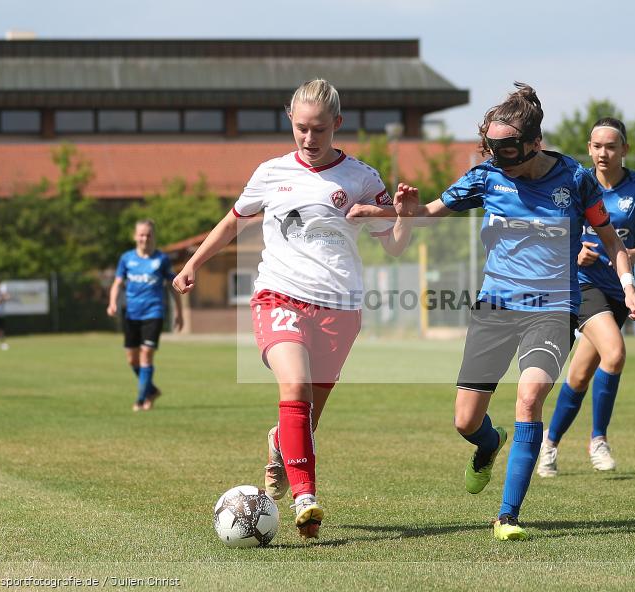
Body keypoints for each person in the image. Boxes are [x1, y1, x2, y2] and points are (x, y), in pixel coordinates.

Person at [350, 84, 635, 541]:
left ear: (533, 142)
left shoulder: (575, 178)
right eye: (490, 145)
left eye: (505, 146)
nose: (497, 154)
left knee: (529, 397)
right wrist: (403, 213)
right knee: (466, 421)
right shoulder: (486, 177)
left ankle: (508, 516)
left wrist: (627, 287)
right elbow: (429, 211)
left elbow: (612, 240)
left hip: (552, 308)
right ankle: (489, 443)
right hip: (496, 307)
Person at [172, 79, 415, 540]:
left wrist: (404, 214)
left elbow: (397, 246)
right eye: (301, 128)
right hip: (279, 295)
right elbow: (232, 221)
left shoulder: (362, 178)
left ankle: (280, 446)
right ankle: (307, 498)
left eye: (319, 129)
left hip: (340, 308)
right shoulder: (270, 172)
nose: (309, 138)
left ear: (337, 125)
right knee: (296, 383)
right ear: (291, 121)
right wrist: (193, 264)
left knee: (307, 416)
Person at [536, 117, 635, 478]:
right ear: (589, 149)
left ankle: (550, 443)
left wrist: (626, 253)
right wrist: (576, 251)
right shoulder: (577, 183)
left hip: (618, 290)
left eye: (611, 146)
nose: (603, 153)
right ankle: (598, 439)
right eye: (596, 146)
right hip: (581, 285)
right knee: (616, 352)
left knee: (578, 377)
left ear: (624, 149)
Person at [107, 219, 184, 412]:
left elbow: (173, 287)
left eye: (148, 234)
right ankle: (151, 390)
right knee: (132, 359)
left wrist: (179, 313)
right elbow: (117, 283)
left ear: (153, 237)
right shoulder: (126, 259)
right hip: (132, 314)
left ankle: (141, 400)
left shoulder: (162, 260)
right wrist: (112, 303)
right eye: (141, 234)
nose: (145, 238)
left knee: (146, 355)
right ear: (135, 237)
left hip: (154, 312)